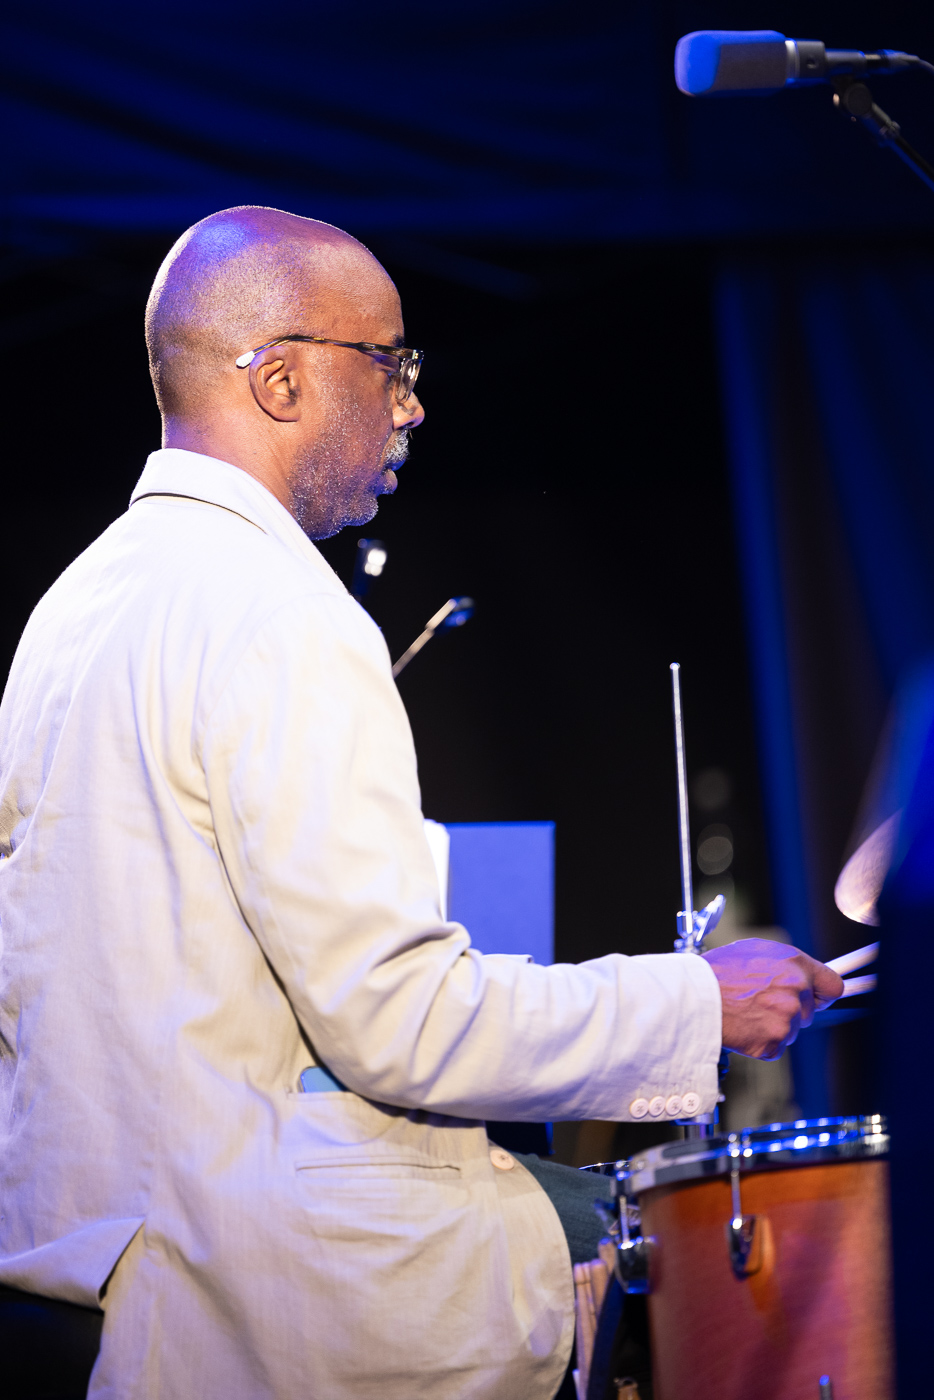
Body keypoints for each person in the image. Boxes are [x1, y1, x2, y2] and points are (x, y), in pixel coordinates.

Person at [0, 206, 843, 1399]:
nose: (411, 406)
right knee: (602, 1243)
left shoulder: (72, 609)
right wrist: (693, 1002)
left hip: (94, 1281)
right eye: (388, 363)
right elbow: (395, 1017)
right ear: (280, 379)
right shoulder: (281, 612)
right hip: (260, 1298)